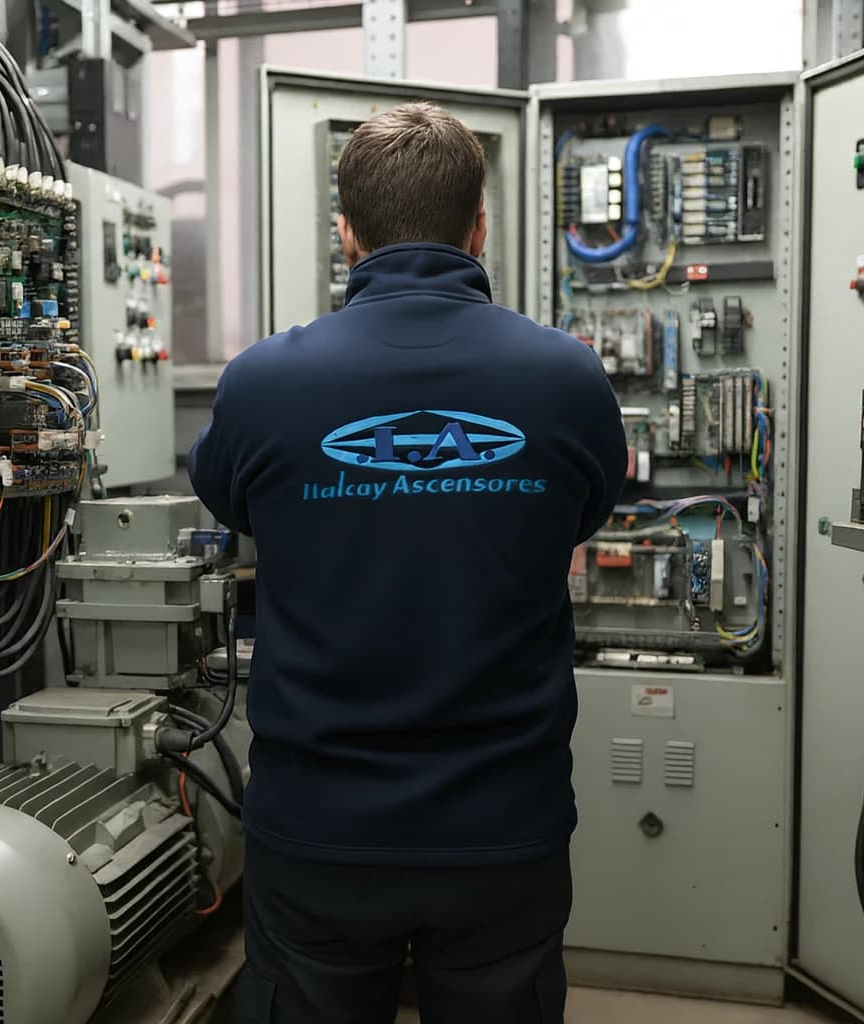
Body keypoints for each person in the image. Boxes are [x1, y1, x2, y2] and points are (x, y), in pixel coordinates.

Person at [189, 102, 627, 1024]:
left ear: (344, 231)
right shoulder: (567, 379)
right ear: (479, 226)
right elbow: (587, 513)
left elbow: (231, 505)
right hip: (505, 828)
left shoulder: (262, 383)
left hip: (317, 830)